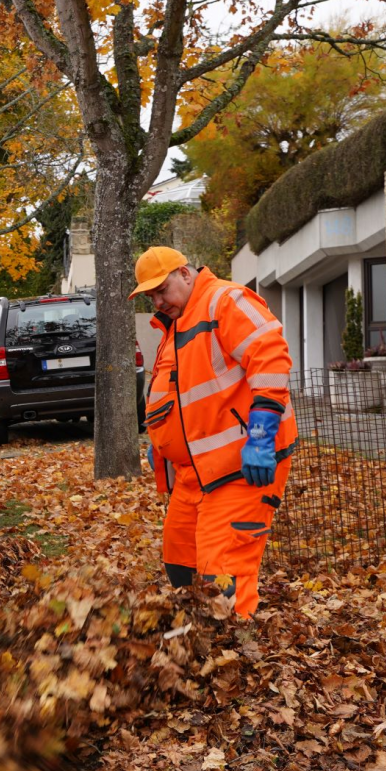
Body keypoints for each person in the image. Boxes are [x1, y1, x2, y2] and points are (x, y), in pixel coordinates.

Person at [135, 246, 295, 618]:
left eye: (163, 290)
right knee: (180, 559)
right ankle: (198, 638)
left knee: (221, 569)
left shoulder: (225, 301)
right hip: (196, 473)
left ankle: (232, 653)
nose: (158, 301)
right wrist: (160, 445)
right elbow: (179, 396)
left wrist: (260, 438)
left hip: (242, 467)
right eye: (151, 296)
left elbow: (271, 360)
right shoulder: (176, 325)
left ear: (186, 274)